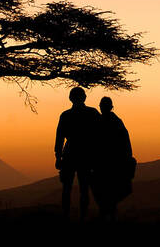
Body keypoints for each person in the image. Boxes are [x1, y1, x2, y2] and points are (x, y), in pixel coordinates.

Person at [55, 87, 101, 220]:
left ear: (70, 98)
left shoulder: (65, 115)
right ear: (84, 98)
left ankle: (66, 216)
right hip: (86, 155)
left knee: (67, 188)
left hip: (70, 153)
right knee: (84, 188)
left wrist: (58, 156)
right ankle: (83, 217)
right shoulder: (92, 113)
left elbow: (59, 138)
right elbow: (101, 135)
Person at [94, 95, 135, 220]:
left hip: (108, 163)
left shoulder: (108, 122)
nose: (103, 108)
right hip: (108, 163)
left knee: (106, 191)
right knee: (109, 191)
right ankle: (109, 212)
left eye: (103, 106)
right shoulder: (116, 122)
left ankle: (107, 212)